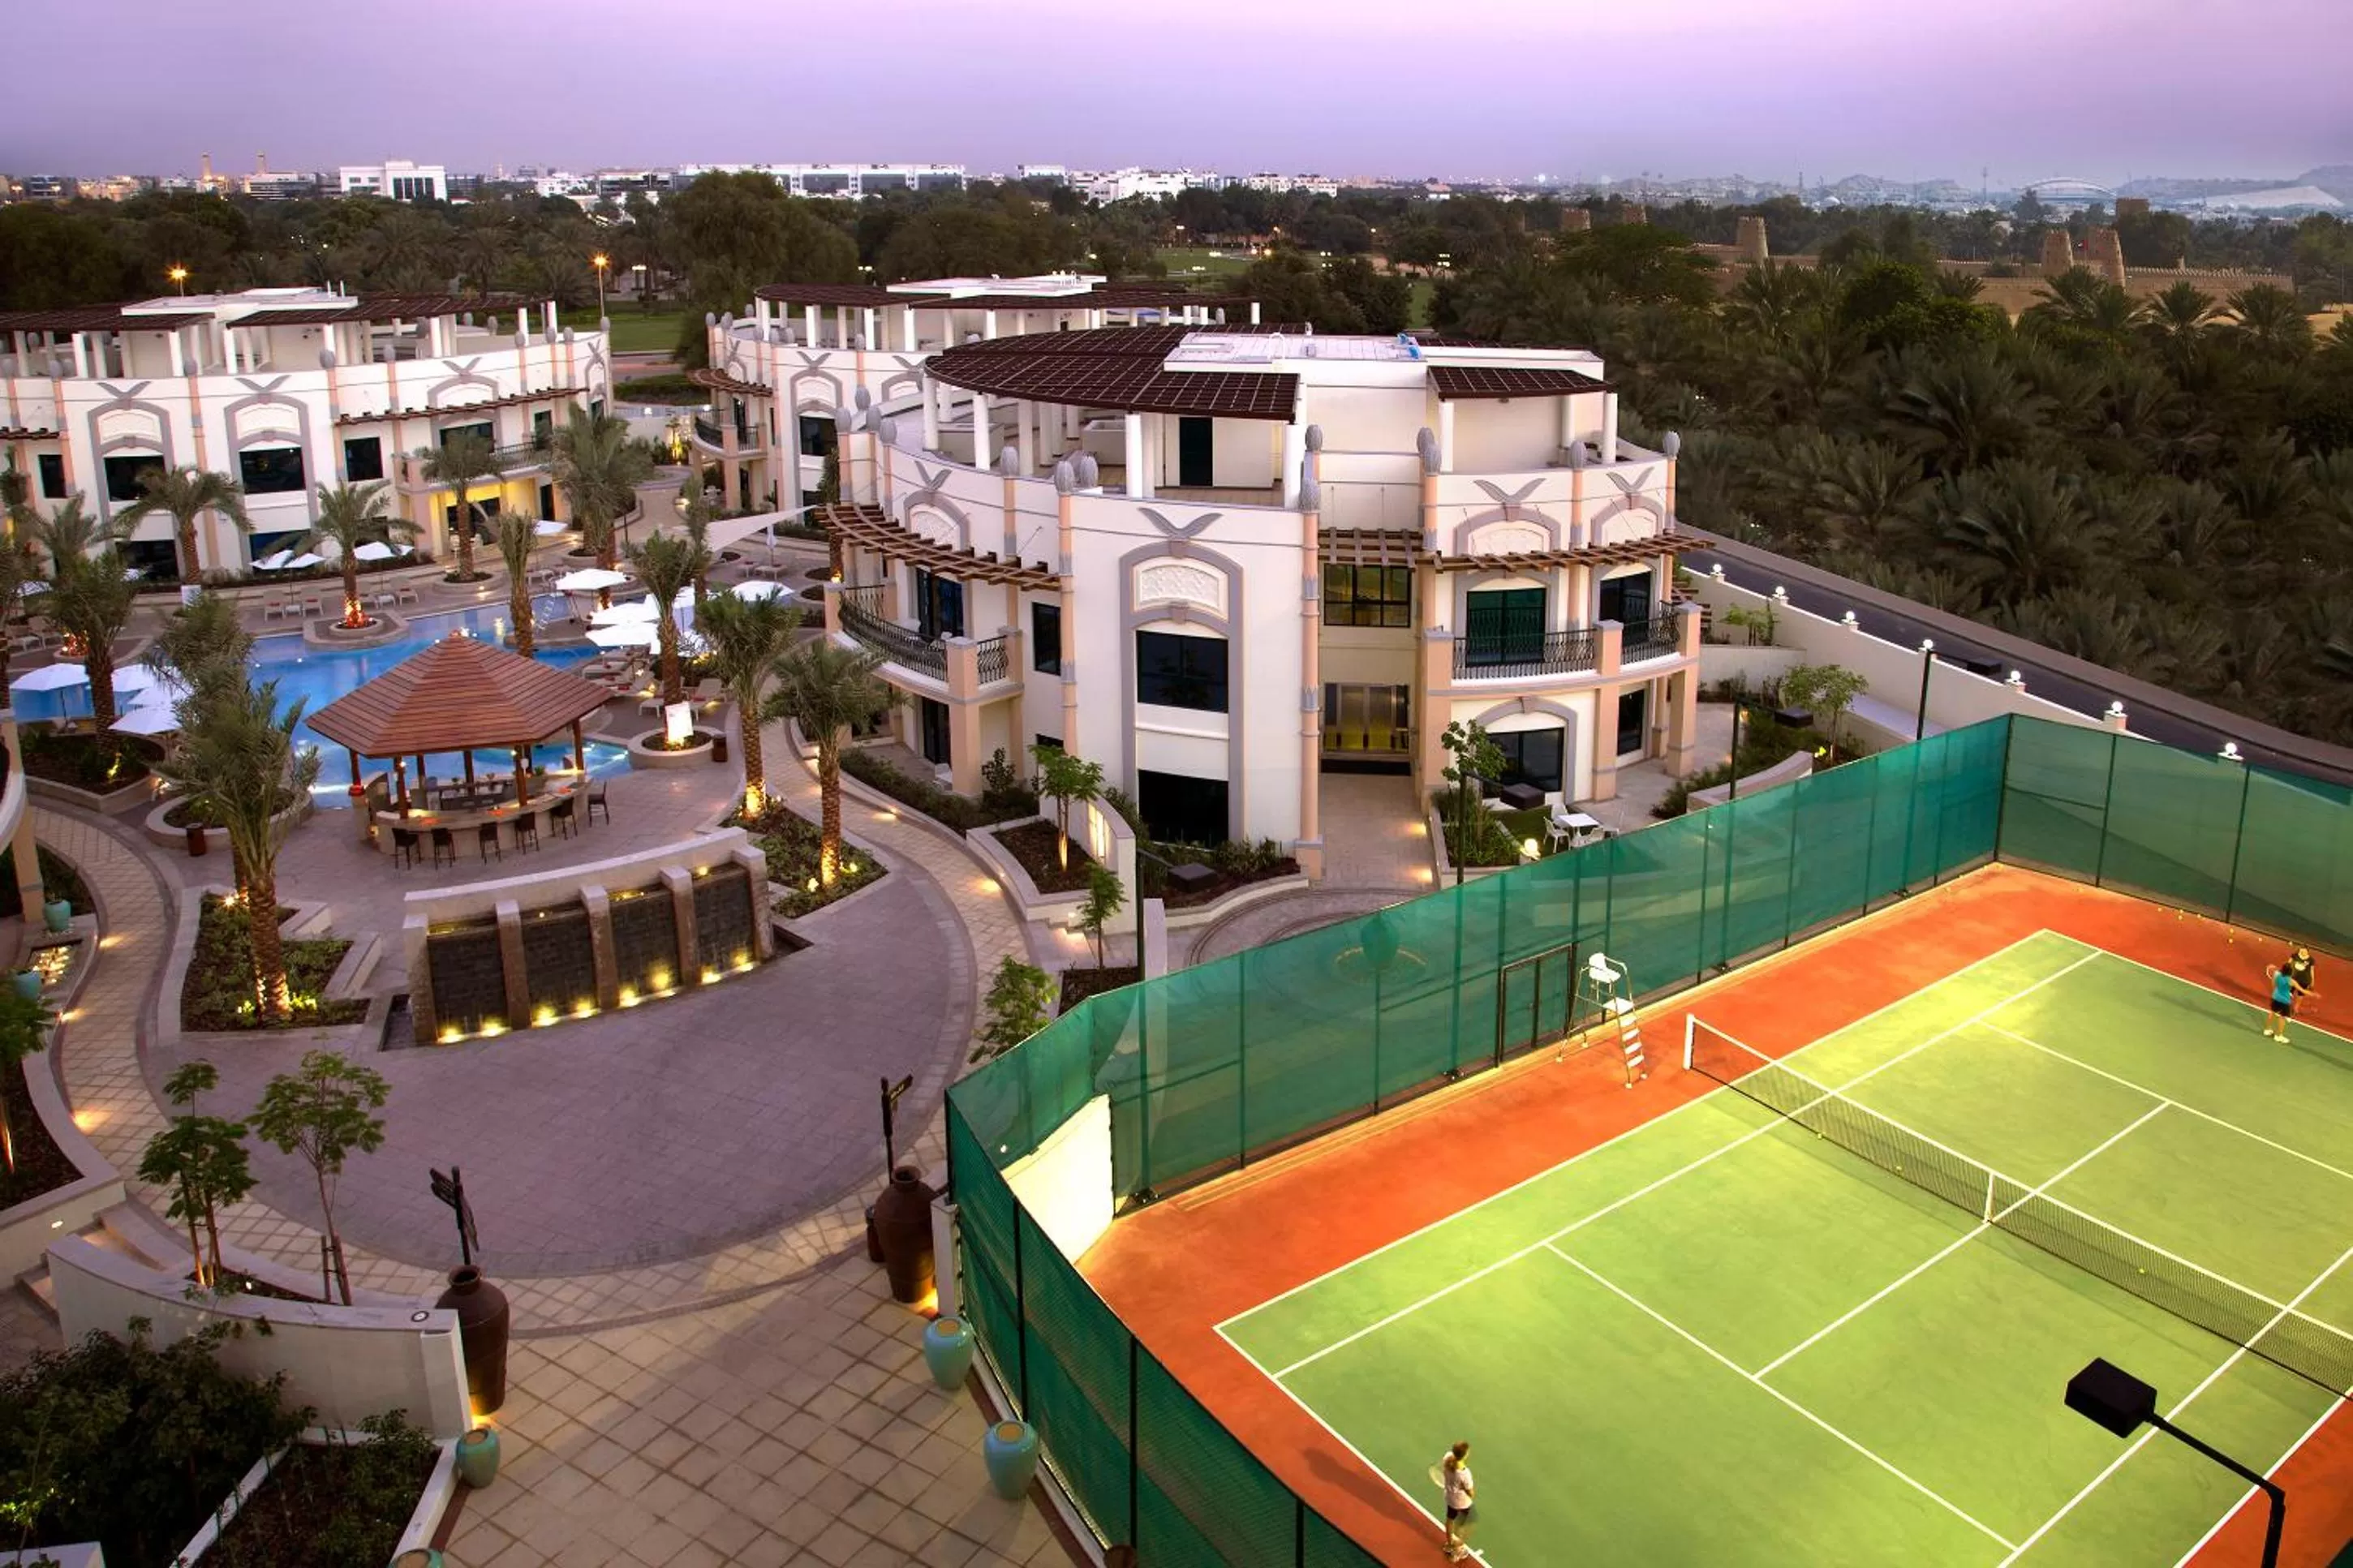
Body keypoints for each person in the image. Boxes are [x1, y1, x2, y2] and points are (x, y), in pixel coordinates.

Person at [1439, 1441, 1475, 1562]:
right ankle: (1457, 1551)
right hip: (1462, 1502)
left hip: (1450, 1498)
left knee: (1450, 1520)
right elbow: (1471, 1493)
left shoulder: (1447, 1458)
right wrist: (1465, 1489)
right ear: (1464, 1455)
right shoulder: (1465, 1474)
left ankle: (1449, 1545)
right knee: (1462, 1526)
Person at [2264, 961, 2299, 1042]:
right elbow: (2300, 989)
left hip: (2276, 996)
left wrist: (2277, 992)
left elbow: (2274, 984)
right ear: (2291, 971)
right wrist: (2313, 994)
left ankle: (2267, 1030)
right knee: (2282, 1017)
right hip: (2284, 1000)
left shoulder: (2276, 974)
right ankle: (2279, 1036)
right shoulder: (2290, 980)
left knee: (2272, 1012)